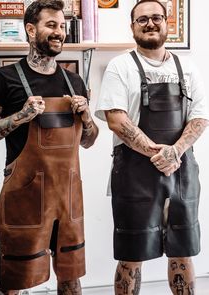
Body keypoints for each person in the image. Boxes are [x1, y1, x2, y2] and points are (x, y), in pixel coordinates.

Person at [0, 0, 98, 294]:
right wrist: (20, 116)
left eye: (62, 26)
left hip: (69, 199)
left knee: (71, 275)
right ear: (31, 29)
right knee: (16, 277)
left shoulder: (75, 81)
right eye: (51, 25)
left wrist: (89, 118)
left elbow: (89, 140)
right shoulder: (4, 79)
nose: (59, 32)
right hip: (24, 198)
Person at [95, 0, 209, 294]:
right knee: (132, 253)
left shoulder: (188, 68)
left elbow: (200, 116)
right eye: (142, 19)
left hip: (182, 171)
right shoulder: (121, 67)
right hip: (134, 174)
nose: (150, 23)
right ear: (132, 27)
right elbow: (117, 120)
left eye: (156, 17)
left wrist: (175, 151)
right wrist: (159, 154)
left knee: (182, 249)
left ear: (167, 23)